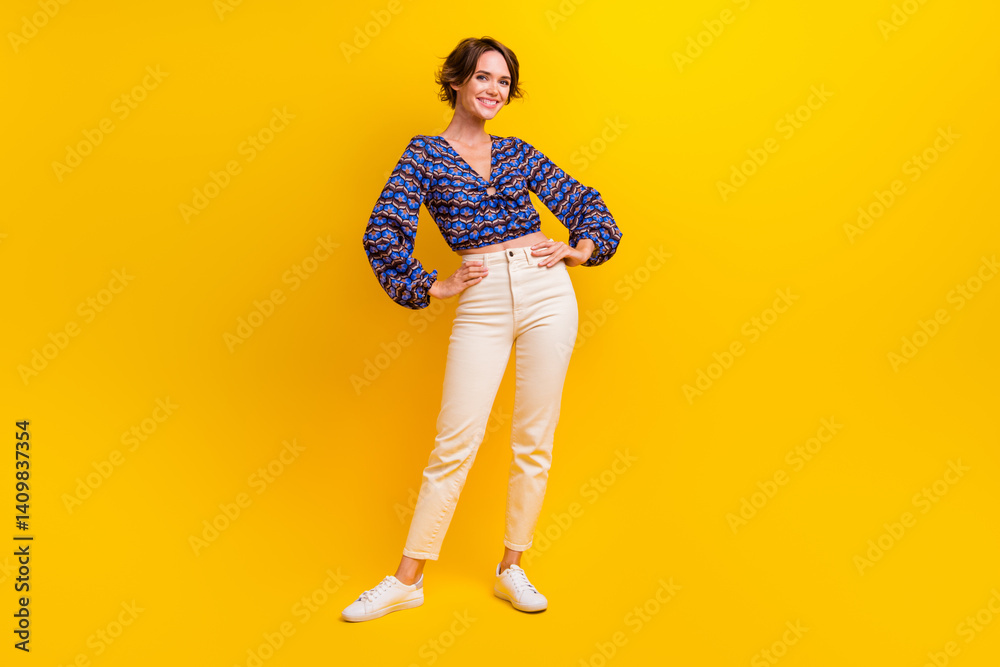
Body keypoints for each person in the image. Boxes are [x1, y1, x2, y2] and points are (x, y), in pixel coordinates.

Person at [343, 36, 623, 622]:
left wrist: (578, 250)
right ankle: (407, 580)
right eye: (483, 78)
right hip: (483, 295)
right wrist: (429, 285)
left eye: (503, 81)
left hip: (548, 291)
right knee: (455, 441)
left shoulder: (517, 153)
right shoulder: (423, 154)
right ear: (456, 83)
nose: (494, 90)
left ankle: (511, 567)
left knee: (534, 439)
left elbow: (587, 203)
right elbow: (383, 229)